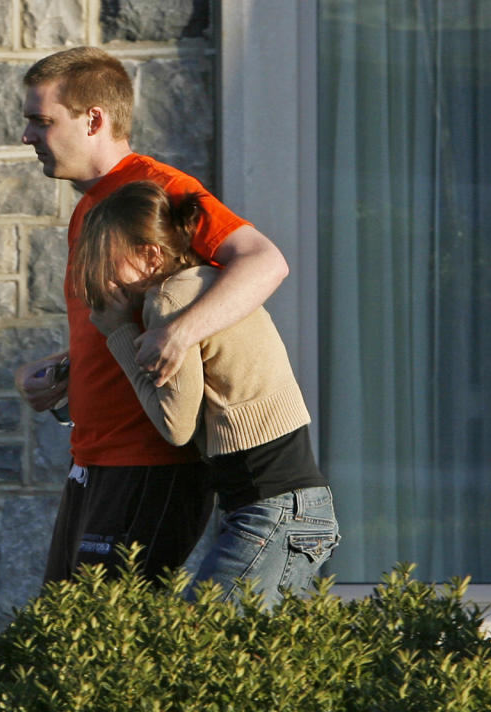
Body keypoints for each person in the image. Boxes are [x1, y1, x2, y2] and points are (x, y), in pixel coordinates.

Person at [14, 46, 290, 585]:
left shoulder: (158, 190)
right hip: (94, 459)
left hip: (149, 464)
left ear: (94, 119)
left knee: (97, 647)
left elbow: (264, 261)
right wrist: (64, 371)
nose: (27, 136)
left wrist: (181, 331)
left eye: (41, 121)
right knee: (57, 638)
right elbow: (122, 324)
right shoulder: (91, 205)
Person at [70, 180, 339, 606]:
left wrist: (119, 333)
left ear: (151, 255)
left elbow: (176, 426)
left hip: (271, 509)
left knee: (201, 642)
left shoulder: (170, 298)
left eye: (109, 261)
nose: (102, 277)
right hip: (293, 507)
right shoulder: (206, 280)